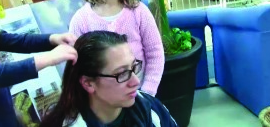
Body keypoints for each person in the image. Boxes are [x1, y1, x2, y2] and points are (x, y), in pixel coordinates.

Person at [69, 0, 164, 96]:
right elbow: (77, 66)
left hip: (139, 95)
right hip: (101, 103)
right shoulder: (81, 20)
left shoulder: (139, 11)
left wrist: (148, 93)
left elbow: (155, 53)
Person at [40, 31, 177, 127]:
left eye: (134, 67)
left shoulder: (149, 107)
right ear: (88, 83)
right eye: (122, 74)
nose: (136, 82)